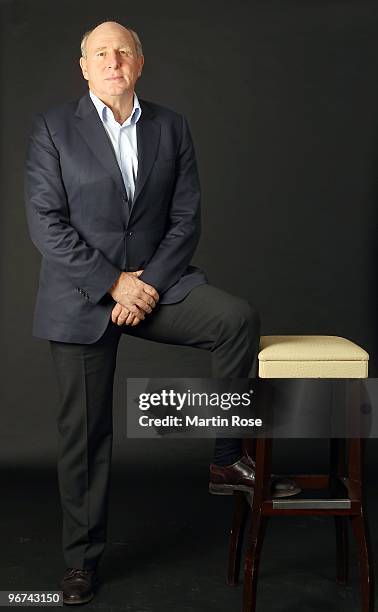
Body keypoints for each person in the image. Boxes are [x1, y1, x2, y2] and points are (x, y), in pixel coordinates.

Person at [24, 20, 299, 606]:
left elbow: (186, 219)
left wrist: (144, 283)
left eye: (123, 51)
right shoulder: (53, 129)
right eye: (100, 52)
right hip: (82, 296)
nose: (112, 59)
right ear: (83, 66)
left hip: (157, 287)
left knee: (235, 320)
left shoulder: (171, 126)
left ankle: (226, 458)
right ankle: (81, 561)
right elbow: (46, 224)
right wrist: (112, 284)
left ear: (140, 64)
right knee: (85, 436)